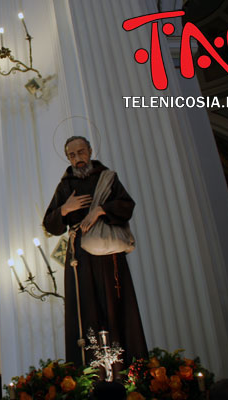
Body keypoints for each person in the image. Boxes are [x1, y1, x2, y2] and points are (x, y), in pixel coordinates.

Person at [43, 136, 147, 367]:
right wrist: (65, 209)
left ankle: (125, 366)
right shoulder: (66, 185)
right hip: (79, 255)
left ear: (90, 151)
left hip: (108, 253)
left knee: (113, 302)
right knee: (84, 307)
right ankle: (89, 368)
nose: (78, 159)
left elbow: (126, 206)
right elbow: (49, 223)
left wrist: (100, 210)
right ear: (68, 157)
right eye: (72, 155)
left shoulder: (107, 178)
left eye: (81, 152)